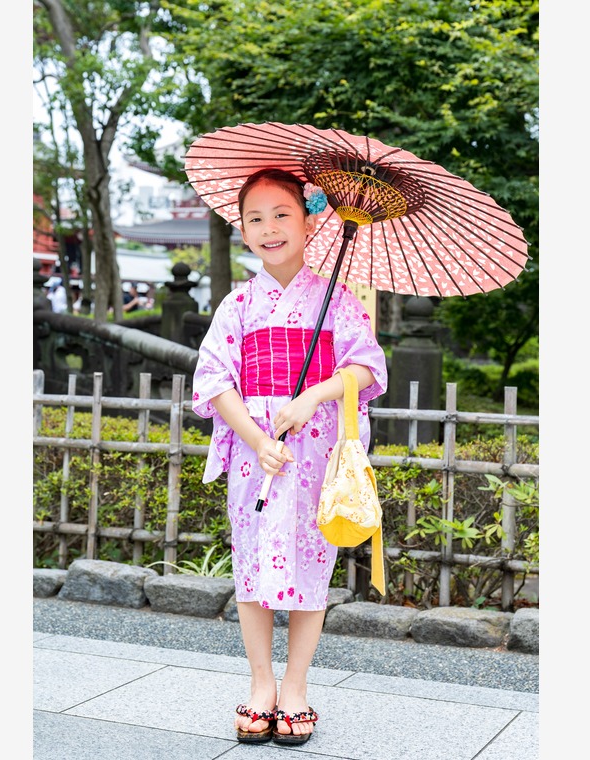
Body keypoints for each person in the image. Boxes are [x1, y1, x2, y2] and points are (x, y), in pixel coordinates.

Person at [191, 168, 387, 746]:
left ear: (309, 222)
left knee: (310, 568)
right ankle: (261, 686)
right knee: (251, 569)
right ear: (242, 231)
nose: (269, 228)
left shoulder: (338, 301)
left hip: (316, 455)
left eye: (282, 214)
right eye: (255, 218)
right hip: (260, 455)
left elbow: (367, 368)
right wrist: (254, 437)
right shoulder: (238, 304)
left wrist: (312, 394)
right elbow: (213, 380)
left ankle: (295, 686)